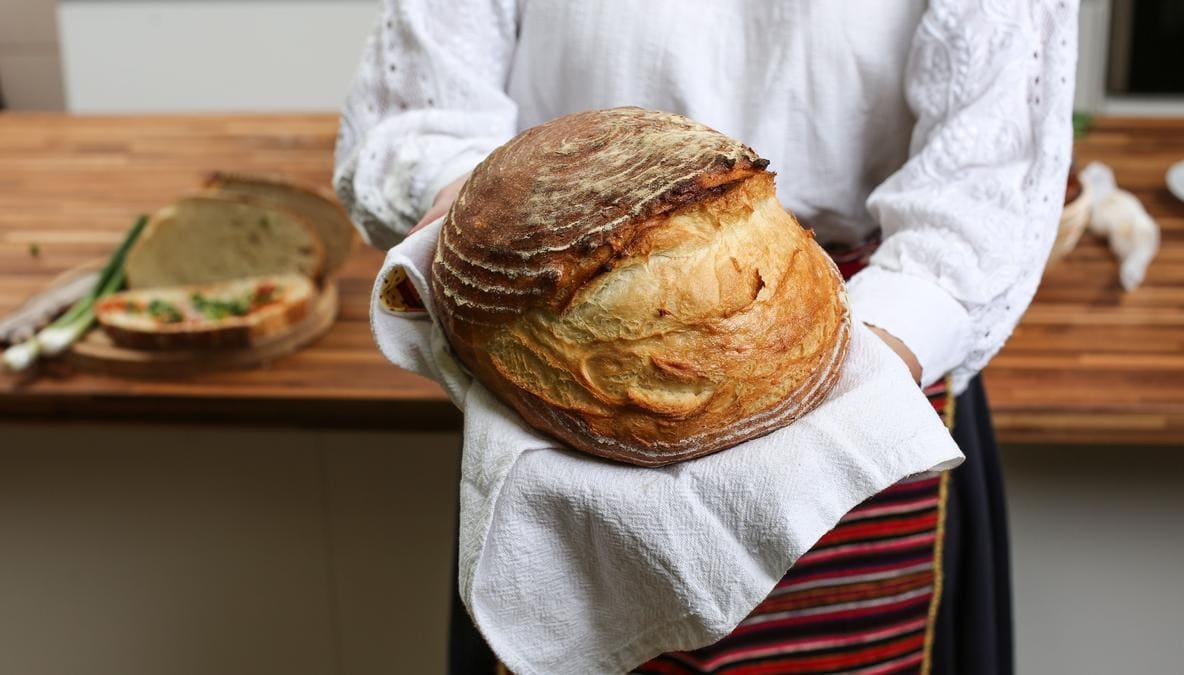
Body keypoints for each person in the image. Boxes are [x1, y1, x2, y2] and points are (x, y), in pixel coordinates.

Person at [334, 2, 1078, 673]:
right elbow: (420, 116)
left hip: (867, 340)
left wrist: (839, 384)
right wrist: (474, 219)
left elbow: (984, 188)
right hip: (545, 330)